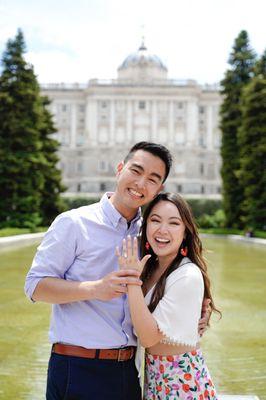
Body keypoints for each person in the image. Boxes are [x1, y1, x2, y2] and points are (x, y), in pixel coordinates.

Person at [25, 142, 209, 400]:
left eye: (152, 179)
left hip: (128, 371)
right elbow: (34, 286)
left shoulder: (150, 232)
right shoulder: (74, 223)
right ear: (120, 169)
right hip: (77, 366)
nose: (140, 183)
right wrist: (95, 289)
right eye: (136, 171)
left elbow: (175, 276)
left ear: (159, 189)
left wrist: (192, 313)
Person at [116, 192, 220, 400]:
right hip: (157, 379)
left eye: (174, 223)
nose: (162, 230)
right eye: (155, 220)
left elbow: (148, 337)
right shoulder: (151, 267)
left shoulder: (187, 274)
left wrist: (132, 280)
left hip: (183, 382)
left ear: (185, 232)